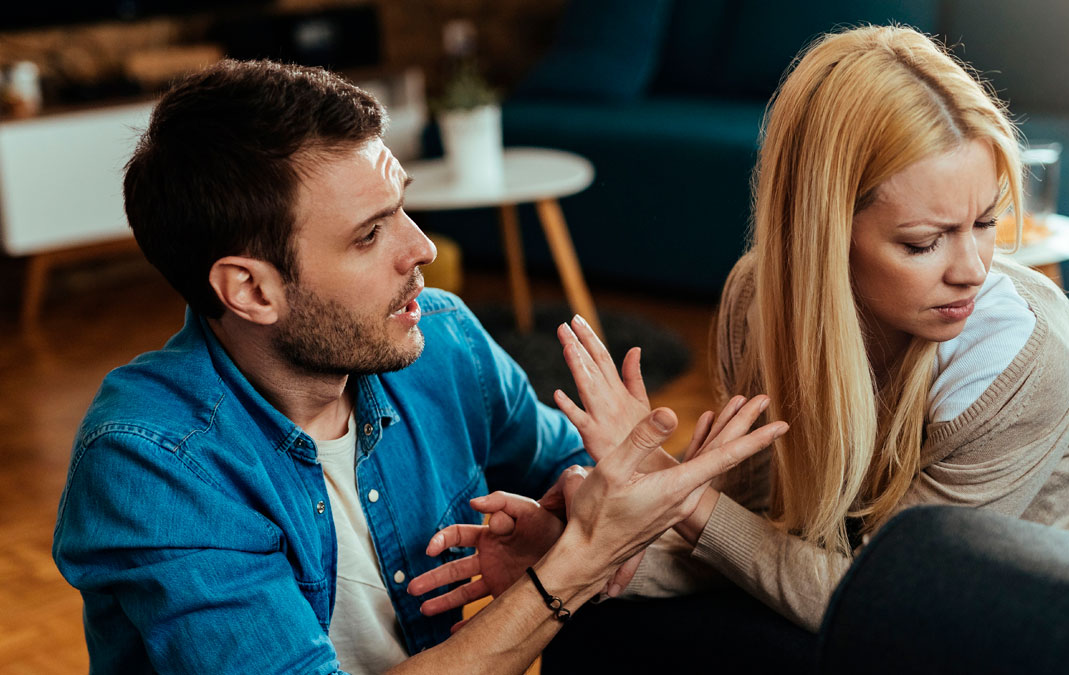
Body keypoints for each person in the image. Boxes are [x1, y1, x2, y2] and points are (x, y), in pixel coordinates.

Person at [417, 24, 1069, 640]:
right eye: (925, 242)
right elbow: (760, 532)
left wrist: (684, 495)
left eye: (988, 223)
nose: (971, 269)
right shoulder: (759, 301)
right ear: (824, 235)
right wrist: (568, 554)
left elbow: (885, 593)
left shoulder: (1019, 363)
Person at [51, 59, 789, 674]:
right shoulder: (153, 463)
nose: (422, 249)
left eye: (401, 207)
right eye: (369, 234)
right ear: (251, 290)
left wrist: (595, 500)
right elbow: (593, 543)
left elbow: (574, 476)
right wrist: (576, 562)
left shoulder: (443, 340)